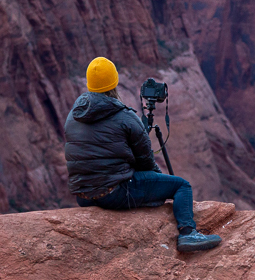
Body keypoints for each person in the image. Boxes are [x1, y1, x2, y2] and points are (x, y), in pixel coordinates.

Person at [64, 57, 222, 253]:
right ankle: (188, 233)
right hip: (114, 193)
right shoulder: (125, 116)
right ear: (114, 83)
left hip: (83, 195)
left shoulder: (73, 115)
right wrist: (156, 181)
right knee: (181, 185)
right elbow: (146, 161)